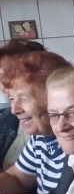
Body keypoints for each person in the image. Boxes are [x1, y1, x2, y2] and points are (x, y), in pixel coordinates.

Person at [0, 51, 71, 194]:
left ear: (54, 97)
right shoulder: (40, 137)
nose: (14, 110)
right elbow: (17, 178)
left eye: (24, 98)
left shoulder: (73, 140)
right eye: (12, 99)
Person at [0, 39, 46, 169]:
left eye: (9, 75)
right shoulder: (8, 116)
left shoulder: (50, 130)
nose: (4, 82)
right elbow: (17, 176)